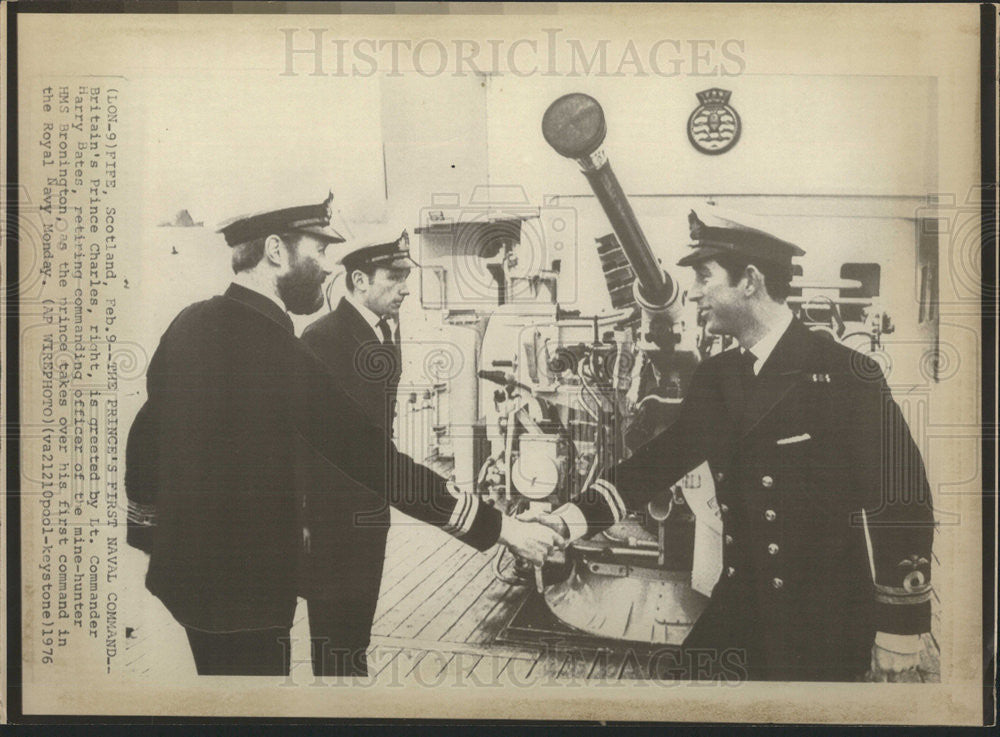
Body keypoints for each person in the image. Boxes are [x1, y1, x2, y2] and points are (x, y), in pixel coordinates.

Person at [124, 193, 564, 676]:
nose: (328, 269)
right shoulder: (281, 352)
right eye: (318, 253)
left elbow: (146, 434)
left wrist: (147, 529)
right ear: (276, 251)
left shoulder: (189, 322)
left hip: (186, 582)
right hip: (251, 594)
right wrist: (501, 528)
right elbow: (377, 461)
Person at [538, 210, 935, 682]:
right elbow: (657, 463)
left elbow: (901, 498)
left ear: (749, 281)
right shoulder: (718, 375)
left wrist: (900, 628)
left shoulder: (848, 373)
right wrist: (568, 520)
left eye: (705, 277)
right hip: (742, 605)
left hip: (823, 624)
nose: (694, 292)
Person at [295, 228, 416, 677]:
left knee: (355, 639)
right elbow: (304, 440)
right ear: (360, 281)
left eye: (408, 276)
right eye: (395, 276)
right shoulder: (323, 338)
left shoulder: (386, 332)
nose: (405, 287)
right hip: (330, 520)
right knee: (334, 644)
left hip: (370, 511)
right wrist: (304, 518)